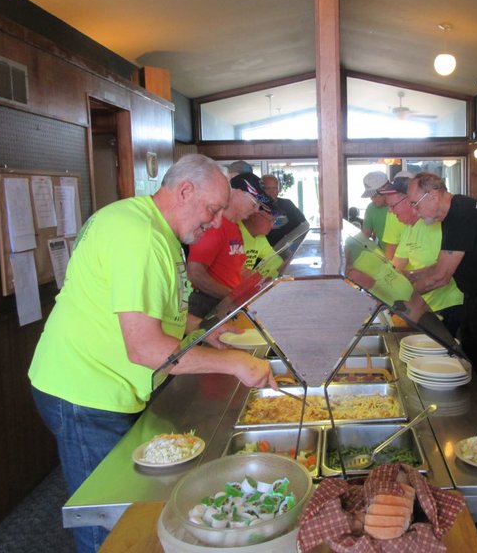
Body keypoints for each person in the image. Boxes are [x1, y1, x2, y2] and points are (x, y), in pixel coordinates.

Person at [28, 154, 277, 553]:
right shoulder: (141, 237)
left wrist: (201, 330)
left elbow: (149, 308)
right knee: (112, 522)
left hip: (97, 381)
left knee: (129, 508)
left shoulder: (145, 223)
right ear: (184, 191)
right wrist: (234, 363)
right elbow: (146, 348)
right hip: (85, 390)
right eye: (212, 211)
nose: (215, 223)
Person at [405, 173, 477, 391]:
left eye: (415, 204)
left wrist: (403, 294)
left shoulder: (461, 214)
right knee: (469, 358)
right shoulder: (456, 210)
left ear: (432, 195)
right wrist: (413, 276)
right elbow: (445, 263)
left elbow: (442, 277)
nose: (415, 211)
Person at [377, 175, 464, 336]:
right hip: (424, 307)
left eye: (393, 206)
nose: (390, 211)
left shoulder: (438, 225)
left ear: (407, 200)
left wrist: (402, 296)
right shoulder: (410, 227)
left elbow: (443, 273)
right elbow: (397, 267)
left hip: (447, 308)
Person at [186, 177, 265, 317]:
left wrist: (263, 283)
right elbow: (195, 273)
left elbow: (238, 269)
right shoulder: (214, 226)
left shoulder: (235, 227)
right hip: (208, 304)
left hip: (227, 303)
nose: (256, 210)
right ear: (239, 193)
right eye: (254, 203)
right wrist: (230, 295)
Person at [261, 173, 307, 247]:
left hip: (290, 248)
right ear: (262, 190)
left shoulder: (287, 204)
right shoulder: (257, 207)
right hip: (267, 251)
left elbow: (303, 224)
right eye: (268, 188)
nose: (272, 192)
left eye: (275, 188)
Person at [361, 171, 390, 250]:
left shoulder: (399, 206)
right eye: (371, 196)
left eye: (375, 196)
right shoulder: (371, 208)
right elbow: (365, 235)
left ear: (385, 189)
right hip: (388, 257)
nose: (372, 200)